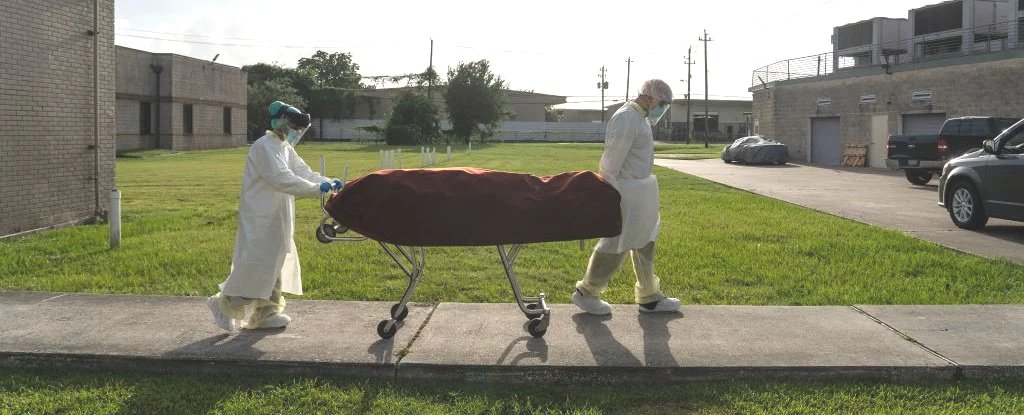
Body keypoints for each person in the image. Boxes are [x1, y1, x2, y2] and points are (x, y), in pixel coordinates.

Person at [206, 101, 342, 331]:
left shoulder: (284, 148)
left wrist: (327, 182)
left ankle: (265, 315)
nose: (296, 133)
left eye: (299, 130)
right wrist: (315, 189)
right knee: (258, 265)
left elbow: (303, 172)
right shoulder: (263, 146)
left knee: (275, 263)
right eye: (294, 128)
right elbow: (281, 178)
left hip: (277, 217)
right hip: (261, 215)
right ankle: (224, 302)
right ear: (281, 123)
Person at [572, 79, 681, 315]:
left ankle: (649, 297)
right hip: (625, 193)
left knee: (645, 242)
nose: (663, 109)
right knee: (616, 243)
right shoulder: (627, 118)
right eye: (662, 103)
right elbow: (611, 162)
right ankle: (587, 292)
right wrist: (609, 194)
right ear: (651, 97)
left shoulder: (639, 117)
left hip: (641, 193)